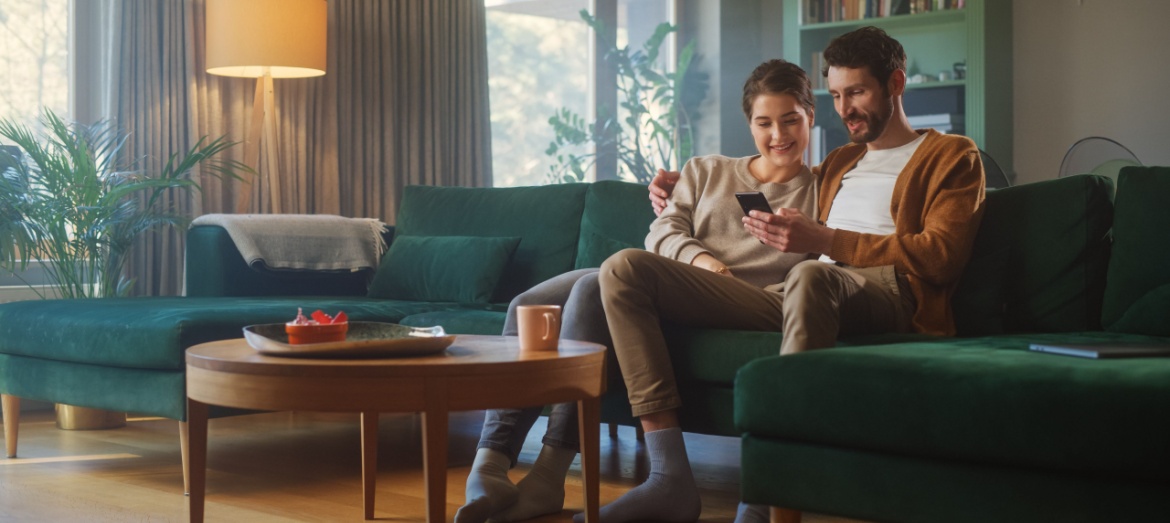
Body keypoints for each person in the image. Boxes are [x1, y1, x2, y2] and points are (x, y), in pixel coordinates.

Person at [595, 26, 986, 522]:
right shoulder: (840, 162)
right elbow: (775, 173)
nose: (846, 108)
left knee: (812, 276)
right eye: (839, 94)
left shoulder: (952, 155)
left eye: (859, 92)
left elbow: (941, 255)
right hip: (800, 290)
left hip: (887, 292)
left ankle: (766, 499)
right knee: (624, 268)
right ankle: (669, 478)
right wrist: (675, 185)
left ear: (896, 84)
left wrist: (826, 242)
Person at [455, 58, 822, 523]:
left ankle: (549, 473)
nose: (778, 135)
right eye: (764, 122)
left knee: (596, 287)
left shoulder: (823, 189)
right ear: (748, 123)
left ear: (810, 115)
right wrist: (704, 261)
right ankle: (491, 462)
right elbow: (662, 233)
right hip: (675, 279)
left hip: (741, 299)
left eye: (791, 119)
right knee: (531, 303)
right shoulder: (707, 169)